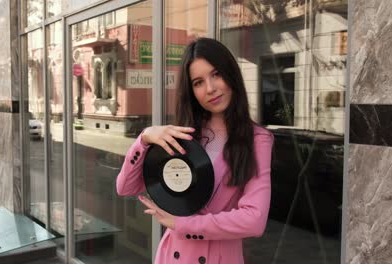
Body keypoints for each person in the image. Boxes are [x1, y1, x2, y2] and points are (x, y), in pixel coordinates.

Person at [116, 37, 274, 264]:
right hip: (173, 255)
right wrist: (145, 138)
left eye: (216, 74)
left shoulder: (257, 139)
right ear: (191, 91)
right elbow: (125, 187)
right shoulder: (183, 135)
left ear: (231, 75)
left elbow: (254, 220)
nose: (210, 89)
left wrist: (182, 224)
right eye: (198, 82)